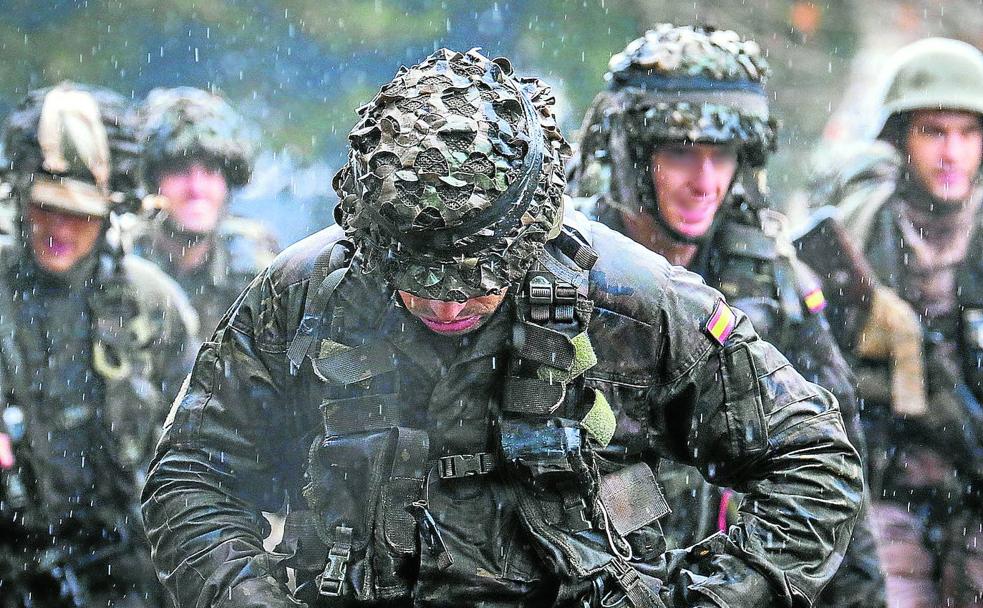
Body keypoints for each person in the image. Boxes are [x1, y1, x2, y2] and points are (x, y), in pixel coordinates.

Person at [142, 48, 861, 608]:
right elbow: (192, 474)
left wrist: (703, 598)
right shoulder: (301, 295)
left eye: (476, 282)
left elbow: (814, 463)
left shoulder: (634, 299)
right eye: (418, 284)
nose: (447, 306)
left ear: (527, 236)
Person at [566, 25, 886, 608]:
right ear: (634, 154)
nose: (706, 182)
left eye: (723, 156)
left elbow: (834, 461)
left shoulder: (771, 280)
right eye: (682, 154)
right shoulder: (569, 267)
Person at [800, 37, 983, 608]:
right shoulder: (859, 231)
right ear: (901, 138)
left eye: (968, 132)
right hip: (883, 481)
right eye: (934, 131)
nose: (952, 152)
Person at [0, 82, 197, 607]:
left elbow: (203, 449)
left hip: (126, 564)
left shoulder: (151, 305)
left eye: (80, 212)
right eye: (46, 206)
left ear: (110, 212)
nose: (59, 227)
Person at [135, 86, 278, 343]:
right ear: (152, 181)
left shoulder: (255, 270)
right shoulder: (122, 263)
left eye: (211, 170)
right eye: (179, 170)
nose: (196, 189)